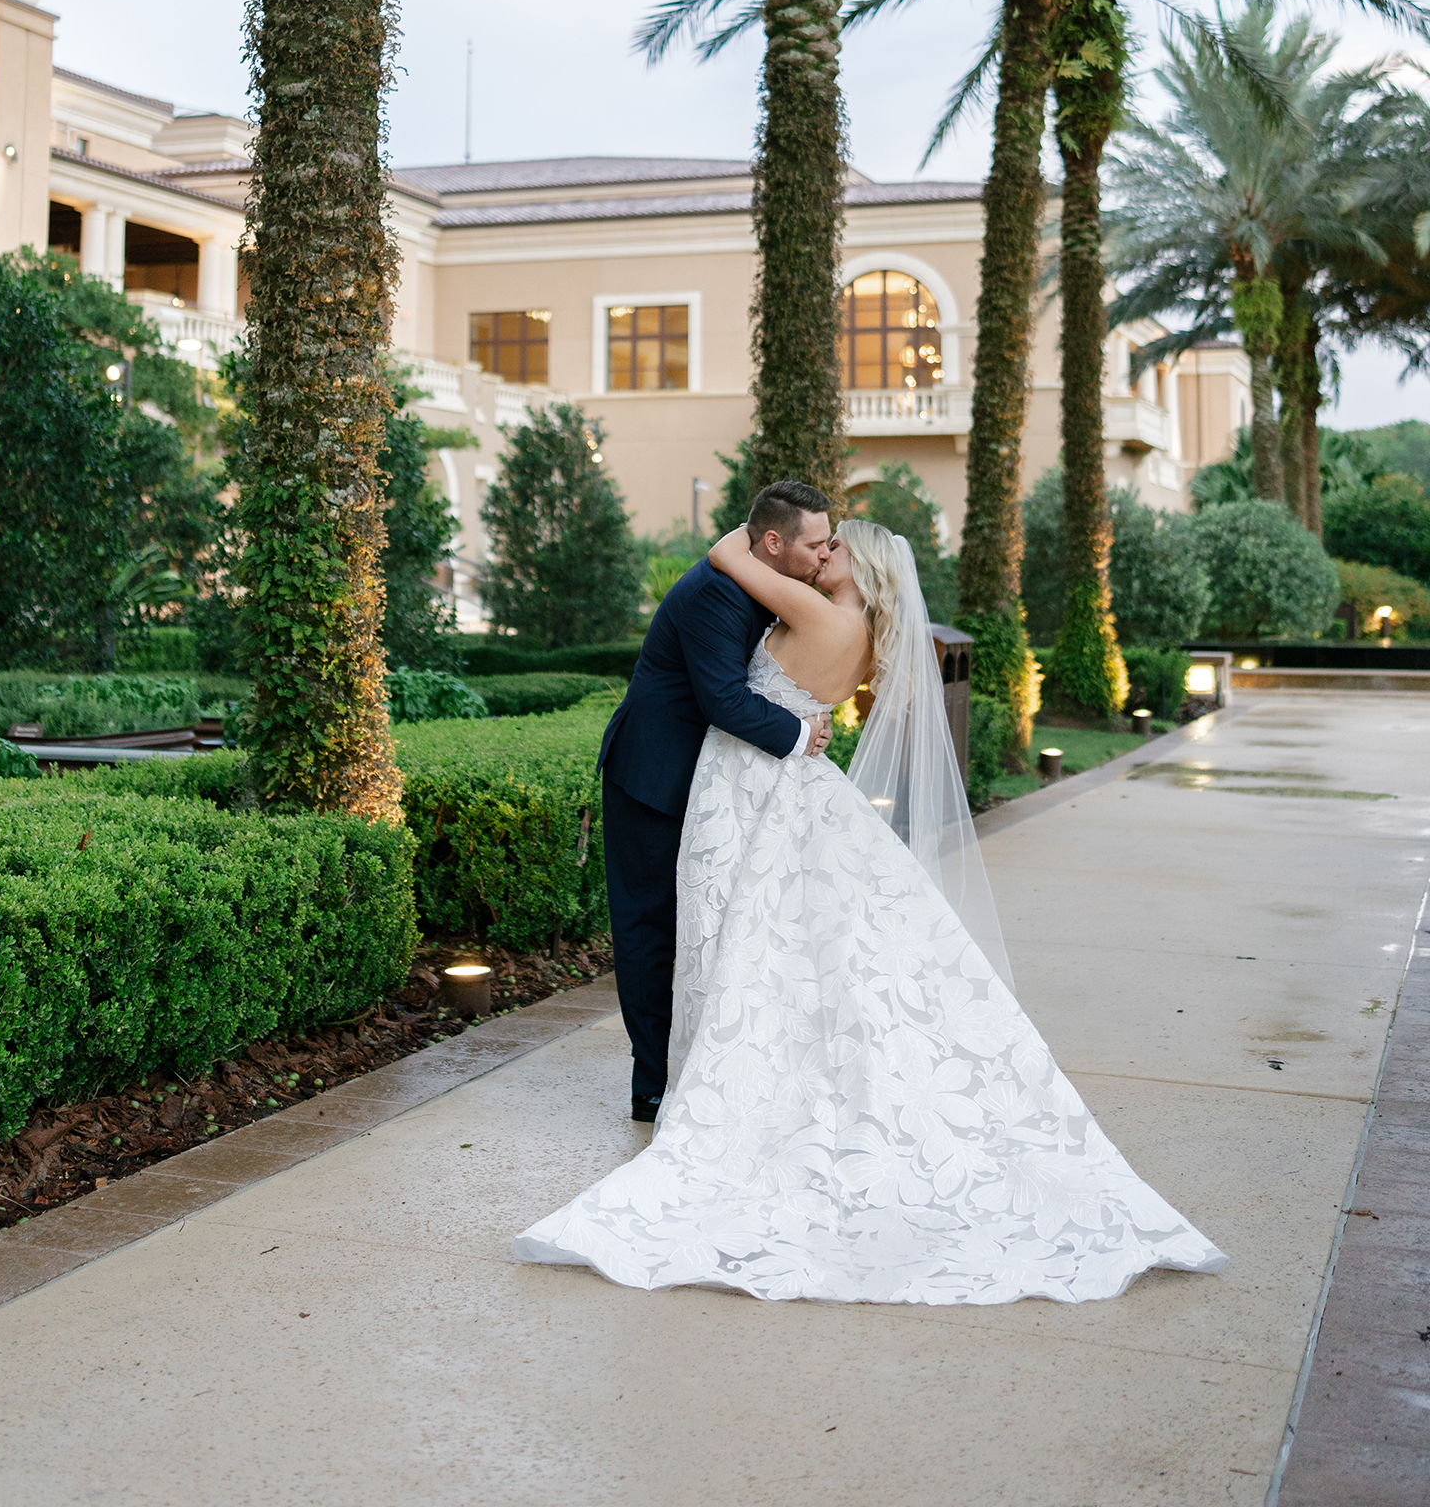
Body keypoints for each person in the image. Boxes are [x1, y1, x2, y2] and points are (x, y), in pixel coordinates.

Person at [515, 512, 1227, 1305]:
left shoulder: (816, 611)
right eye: (820, 542)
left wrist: (758, 536)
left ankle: (706, 1080)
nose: (825, 553)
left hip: (751, 781)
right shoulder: (863, 632)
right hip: (790, 781)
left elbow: (724, 557)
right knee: (795, 937)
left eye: (836, 546)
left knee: (741, 932)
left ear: (861, 566)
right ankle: (713, 1069)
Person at [595, 480, 835, 1122]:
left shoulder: (761, 582)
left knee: (713, 927)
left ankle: (703, 1063)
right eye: (815, 544)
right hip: (652, 778)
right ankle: (652, 1084)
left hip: (714, 789)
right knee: (650, 928)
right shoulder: (718, 593)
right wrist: (801, 732)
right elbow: (723, 699)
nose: (824, 554)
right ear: (774, 541)